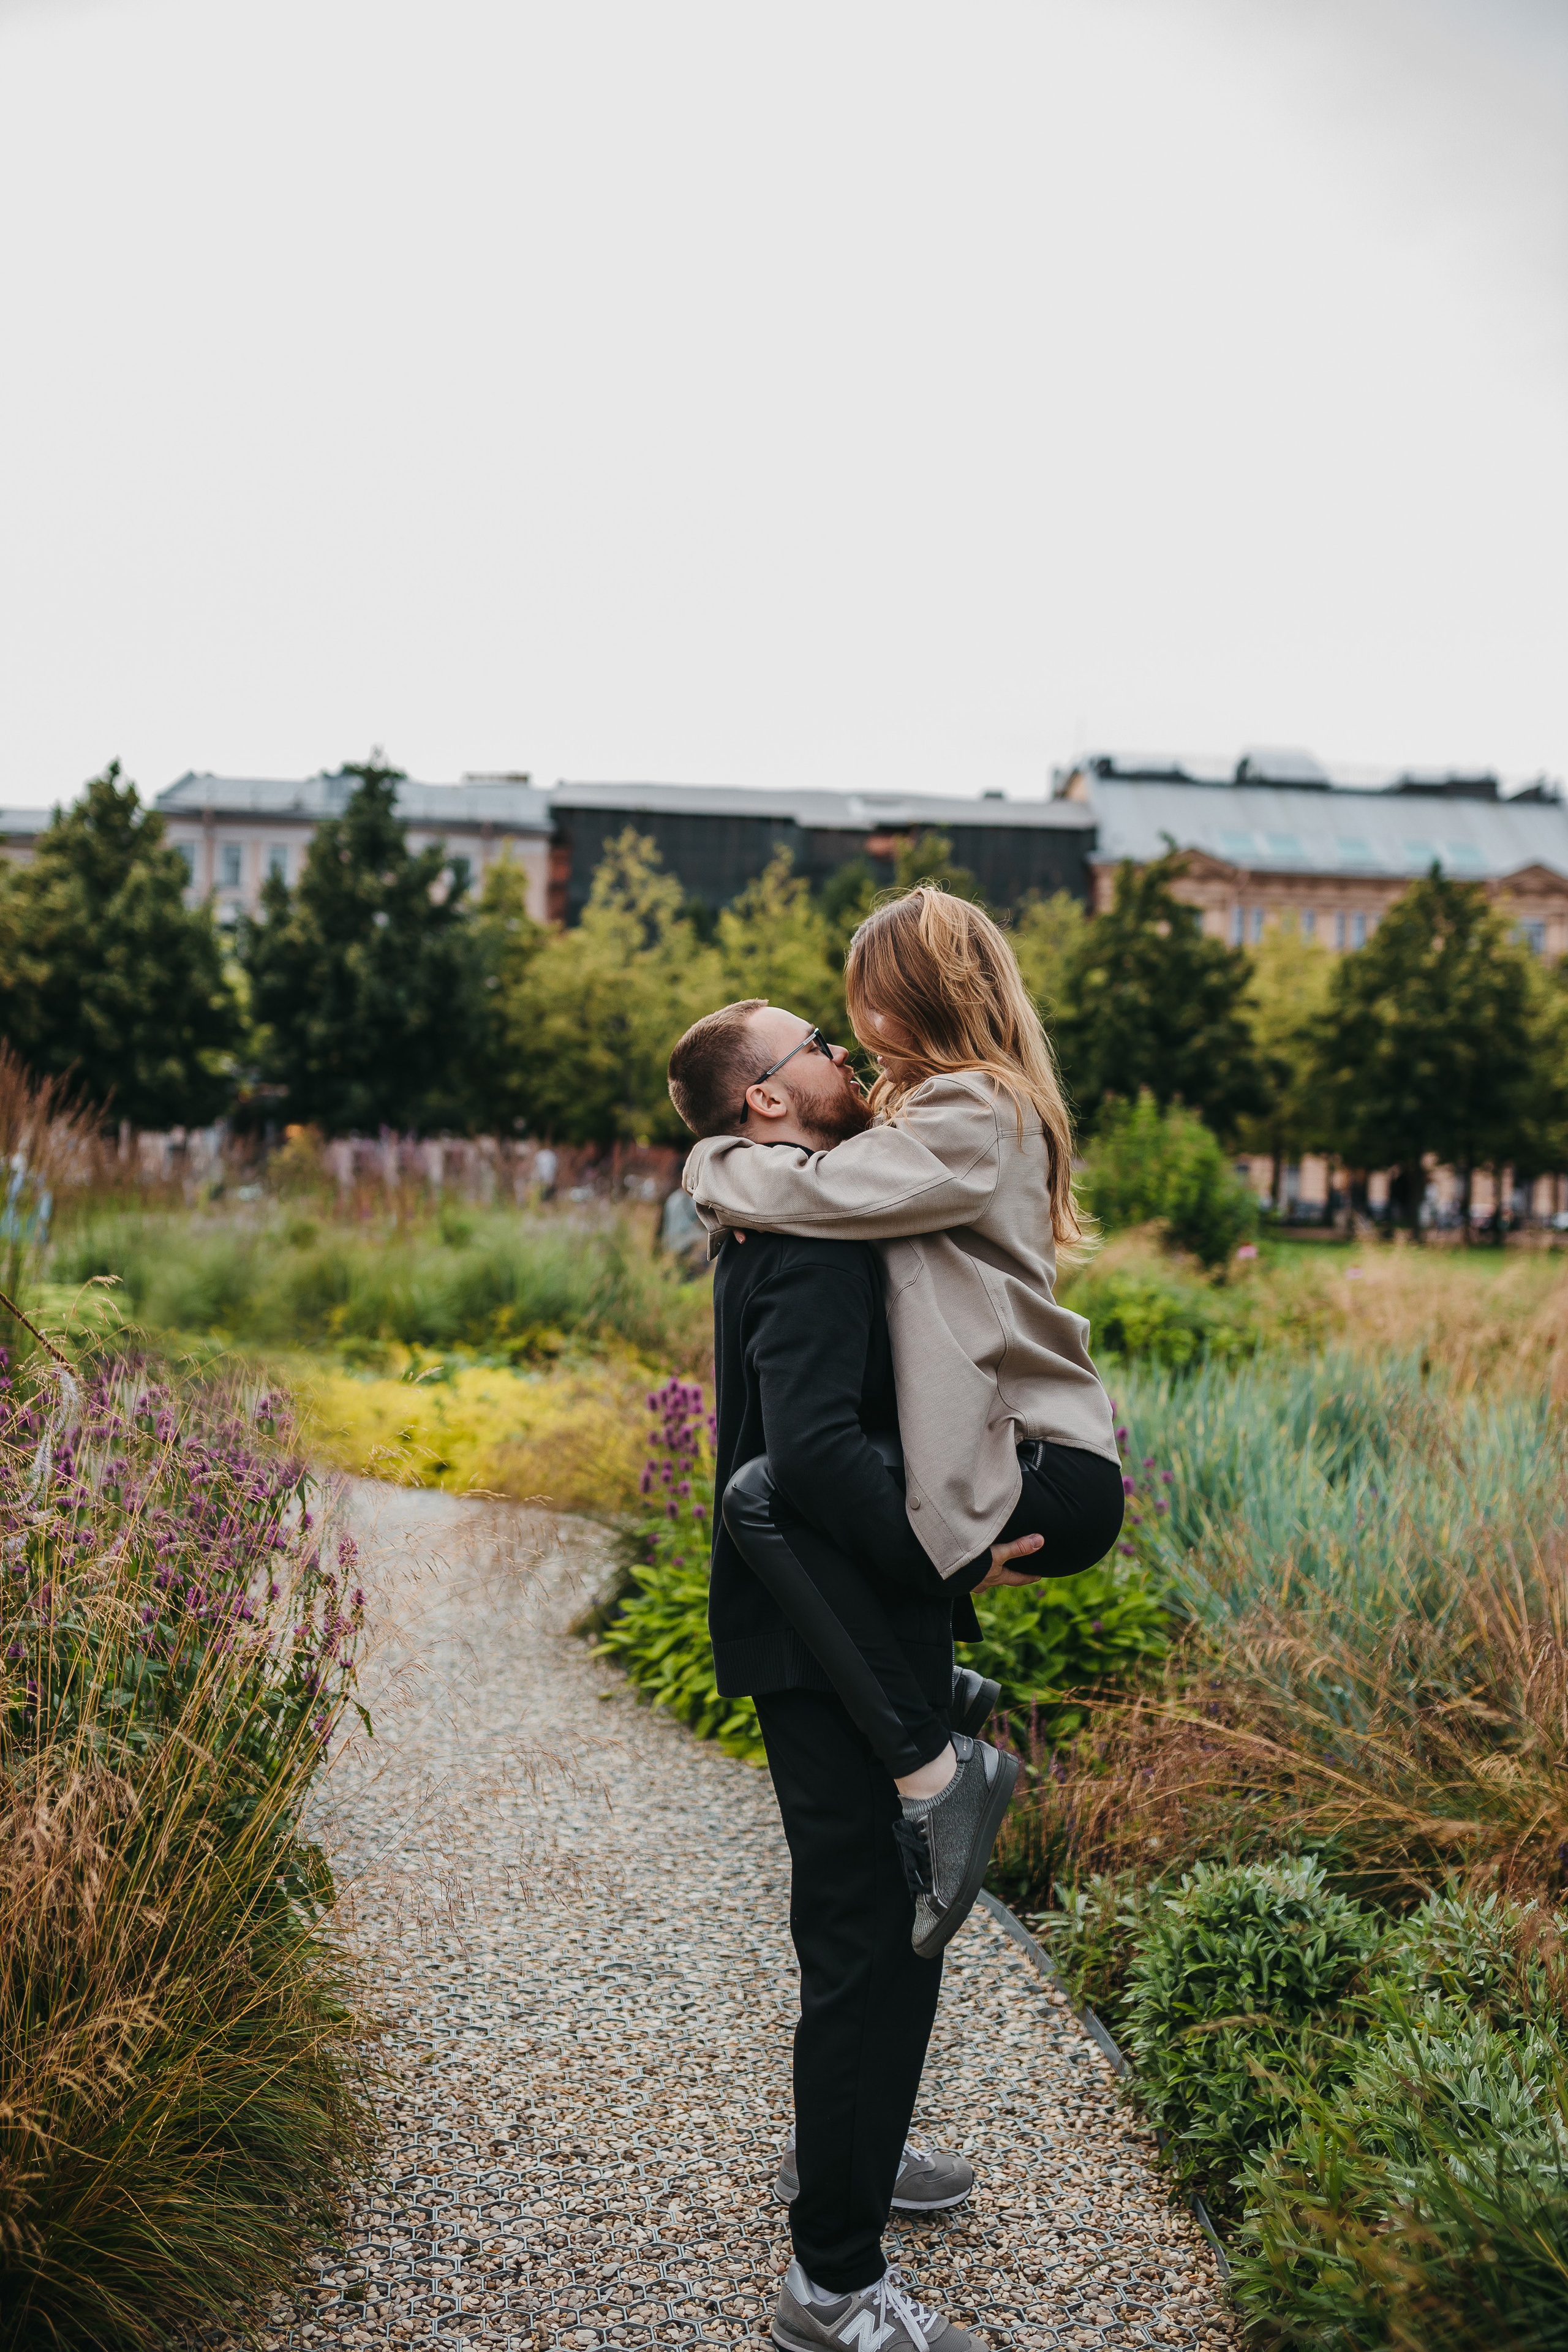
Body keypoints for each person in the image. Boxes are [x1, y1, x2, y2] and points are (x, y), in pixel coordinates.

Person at [665, 1010, 1042, 2351]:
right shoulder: (814, 1244)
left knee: (881, 1935)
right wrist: (952, 1552)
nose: (841, 1050)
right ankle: (830, 2281)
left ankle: (853, 2160)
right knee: (866, 1946)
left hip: (827, 1628)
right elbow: (815, 1457)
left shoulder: (786, 1217)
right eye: (816, 1041)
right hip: (830, 1643)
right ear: (766, 1102)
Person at [674, 889, 1125, 1965]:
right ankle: (940, 1693)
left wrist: (707, 1161)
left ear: (909, 998)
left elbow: (825, 1194)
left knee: (770, 1493)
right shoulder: (941, 1113)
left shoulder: (978, 1111)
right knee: (799, 1494)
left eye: (857, 1003)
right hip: (1008, 1456)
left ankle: (939, 1762)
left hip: (1044, 1463)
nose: (848, 1028)